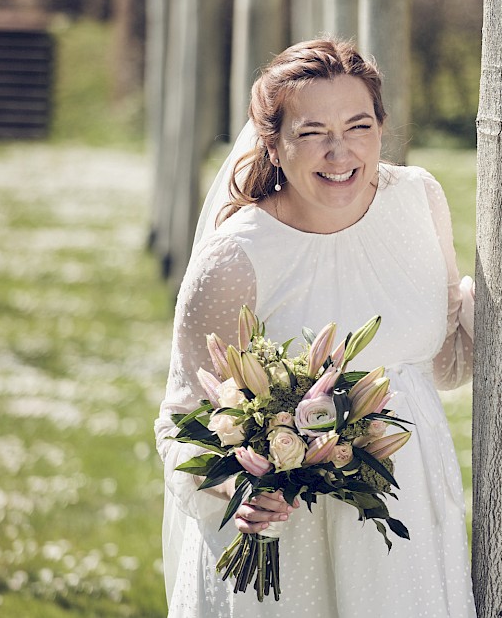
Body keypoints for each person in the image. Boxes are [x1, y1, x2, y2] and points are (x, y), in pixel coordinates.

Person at [155, 38, 477, 617]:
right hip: (289, 541)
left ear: (381, 129)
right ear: (272, 144)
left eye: (358, 127)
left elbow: (441, 361)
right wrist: (238, 489)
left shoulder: (418, 199)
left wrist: (492, 304)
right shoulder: (236, 259)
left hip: (407, 523)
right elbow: (182, 425)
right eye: (311, 133)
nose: (339, 152)